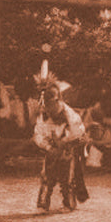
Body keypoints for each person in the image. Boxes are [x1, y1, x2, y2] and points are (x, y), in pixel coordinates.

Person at [33, 80, 89, 212]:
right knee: (46, 176)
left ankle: (69, 204)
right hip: (52, 146)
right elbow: (38, 135)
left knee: (67, 176)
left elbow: (78, 134)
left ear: (58, 101)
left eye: (52, 104)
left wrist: (64, 144)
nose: (49, 108)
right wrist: (49, 148)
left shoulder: (70, 116)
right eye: (47, 105)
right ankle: (43, 204)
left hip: (70, 146)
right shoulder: (43, 116)